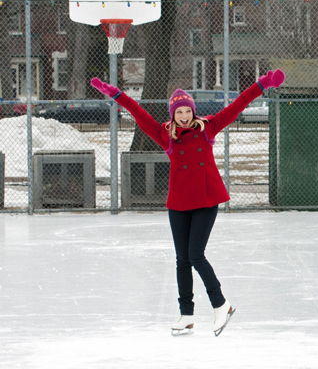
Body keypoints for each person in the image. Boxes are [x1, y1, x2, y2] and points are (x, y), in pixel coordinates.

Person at [90, 69, 285, 337]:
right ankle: (186, 315)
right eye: (179, 112)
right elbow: (137, 112)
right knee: (182, 260)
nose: (184, 116)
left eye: (187, 111)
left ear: (193, 111)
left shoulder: (209, 127)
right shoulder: (164, 134)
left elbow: (238, 105)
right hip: (179, 202)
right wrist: (116, 95)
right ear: (173, 115)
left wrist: (261, 84)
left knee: (196, 255)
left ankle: (221, 304)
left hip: (206, 200)